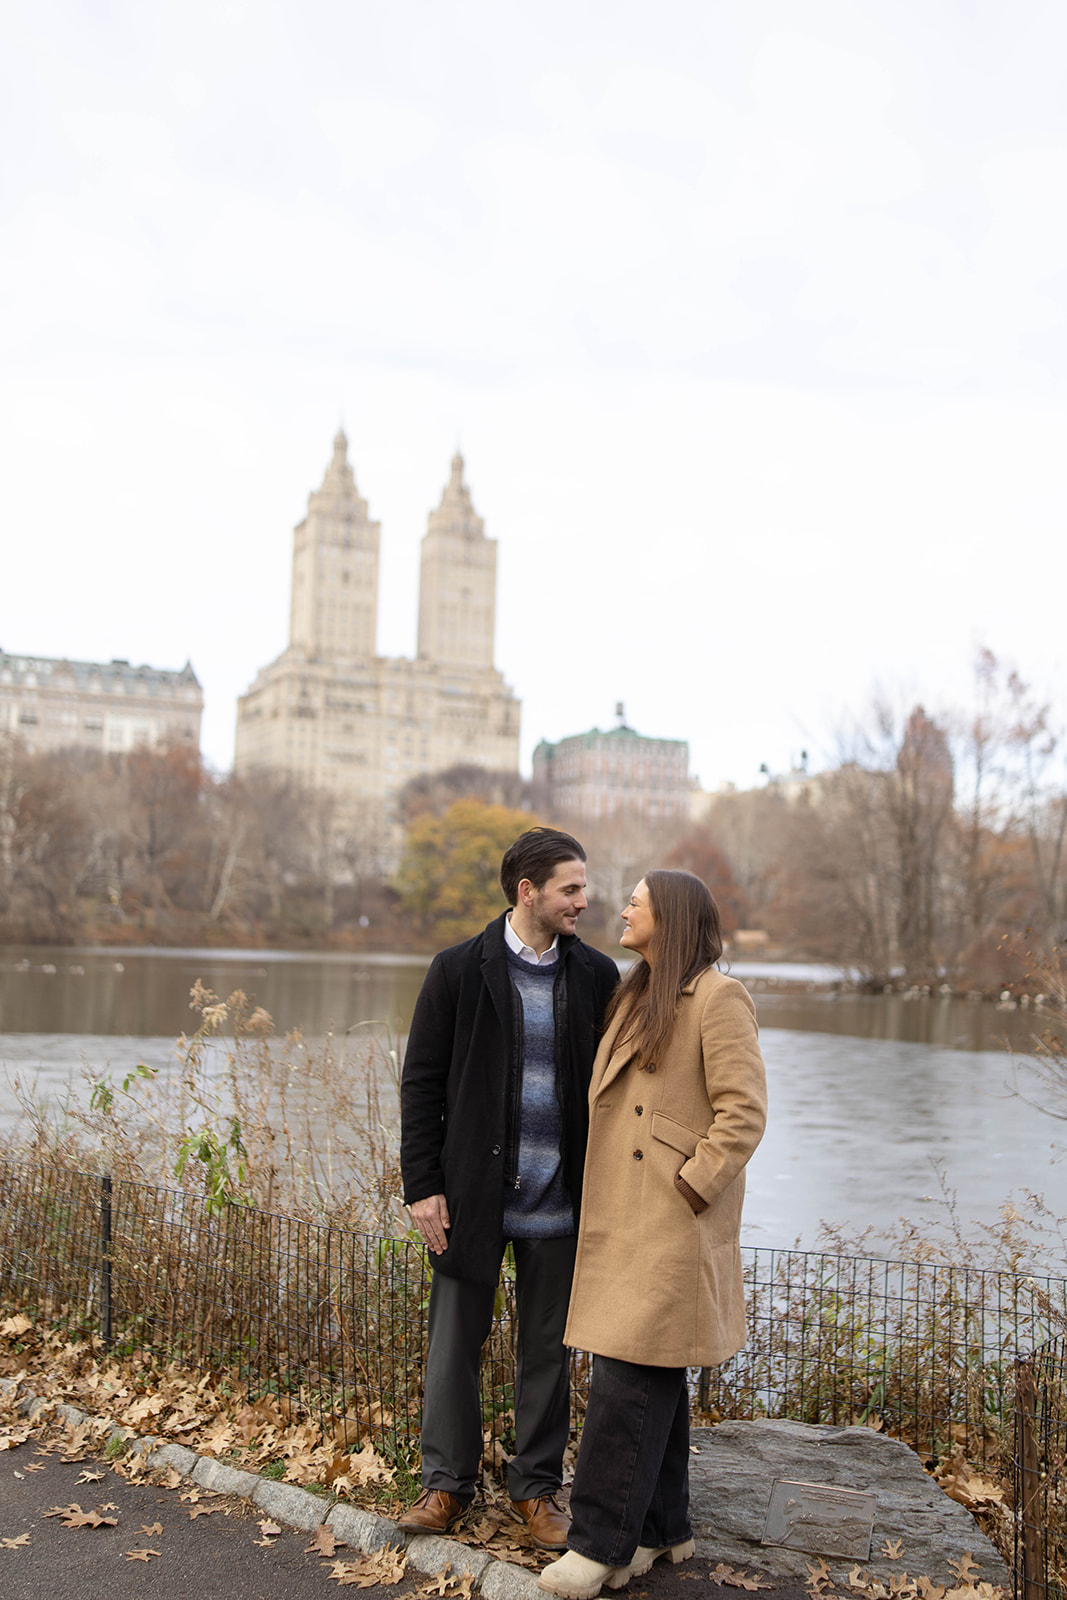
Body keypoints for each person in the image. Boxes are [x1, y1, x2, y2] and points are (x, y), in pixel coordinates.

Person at [538, 870, 767, 1600]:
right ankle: (663, 1530)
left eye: (637, 899)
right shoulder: (636, 992)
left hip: (668, 1219)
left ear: (668, 917)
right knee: (651, 1372)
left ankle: (598, 1544)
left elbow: (743, 1113)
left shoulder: (718, 997)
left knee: (623, 1382)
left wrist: (690, 1184)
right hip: (626, 1214)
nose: (625, 907)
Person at [399, 827, 620, 1550]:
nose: (583, 901)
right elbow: (420, 1085)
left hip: (561, 1200)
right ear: (528, 892)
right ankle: (445, 1485)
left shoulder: (595, 978)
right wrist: (422, 1186)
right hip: (469, 1199)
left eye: (583, 888)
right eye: (570, 889)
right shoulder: (458, 970)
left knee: (548, 1354)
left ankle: (535, 1492)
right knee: (453, 1345)